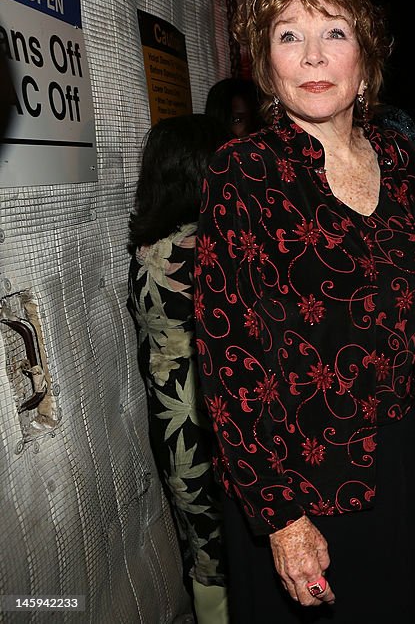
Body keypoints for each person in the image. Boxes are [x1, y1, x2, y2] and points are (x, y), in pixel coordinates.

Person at [193, 0, 415, 623]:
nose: (313, 56)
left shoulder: (396, 162)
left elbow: (409, 300)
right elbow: (227, 358)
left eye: (333, 33)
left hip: (390, 463)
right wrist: (280, 516)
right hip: (292, 472)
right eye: (288, 36)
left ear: (364, 58)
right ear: (265, 64)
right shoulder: (244, 172)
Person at [126, 113, 233, 624]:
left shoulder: (148, 248)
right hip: (211, 415)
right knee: (234, 549)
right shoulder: (204, 248)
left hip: (172, 423)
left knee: (206, 552)